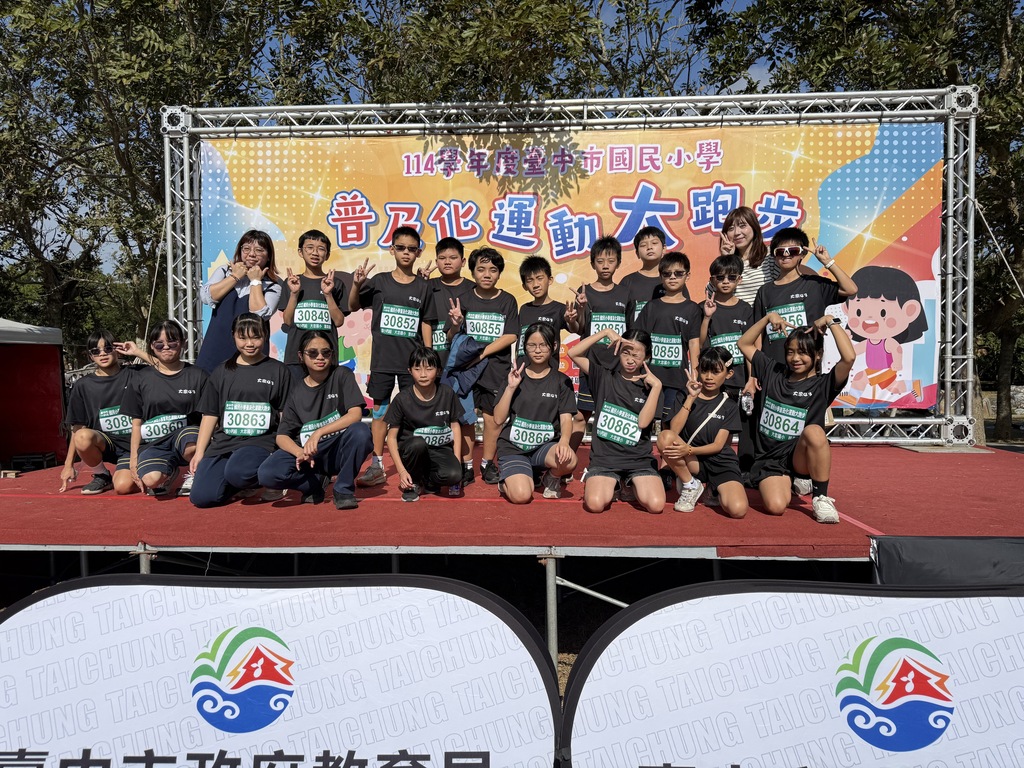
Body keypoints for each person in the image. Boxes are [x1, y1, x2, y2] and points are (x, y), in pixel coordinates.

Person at [738, 312, 857, 523]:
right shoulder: (772, 371)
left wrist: (830, 321)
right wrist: (767, 318)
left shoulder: (823, 385)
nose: (795, 359)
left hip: (798, 457)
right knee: (775, 507)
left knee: (814, 432)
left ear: (818, 355)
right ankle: (793, 483)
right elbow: (744, 343)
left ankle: (820, 497)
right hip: (770, 460)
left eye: (802, 353)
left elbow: (849, 358)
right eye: (790, 352)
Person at [350, 226, 432, 488]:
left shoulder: (424, 286)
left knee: (414, 415)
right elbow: (353, 305)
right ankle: (377, 465)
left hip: (413, 365)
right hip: (383, 362)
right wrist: (356, 284)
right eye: (401, 247)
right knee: (380, 413)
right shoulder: (379, 282)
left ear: (418, 253)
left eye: (411, 249)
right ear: (392, 249)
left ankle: (412, 466)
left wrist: (428, 358)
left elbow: (426, 322)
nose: (406, 253)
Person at [258, 330, 372, 509]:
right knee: (267, 474)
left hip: (336, 450)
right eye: (312, 353)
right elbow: (282, 436)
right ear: (301, 356)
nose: (320, 357)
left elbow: (355, 414)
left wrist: (318, 433)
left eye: (326, 352)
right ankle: (314, 483)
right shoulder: (296, 391)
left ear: (332, 355)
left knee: (361, 432)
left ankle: (343, 489)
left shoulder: (342, 375)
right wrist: (299, 452)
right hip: (308, 454)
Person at [189, 313, 291, 508]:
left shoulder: (278, 370)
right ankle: (240, 483)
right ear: (233, 336)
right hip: (224, 444)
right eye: (242, 338)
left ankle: (263, 478)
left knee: (239, 472)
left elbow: (285, 415)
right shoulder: (221, 372)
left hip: (261, 442)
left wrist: (283, 452)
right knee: (202, 497)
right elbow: (210, 414)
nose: (249, 344)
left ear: (265, 335)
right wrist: (200, 452)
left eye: (256, 337)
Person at [568, 327, 665, 514]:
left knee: (656, 505)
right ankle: (615, 484)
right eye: (625, 353)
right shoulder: (603, 376)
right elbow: (573, 353)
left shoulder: (653, 386)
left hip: (639, 460)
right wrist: (605, 333)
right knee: (595, 505)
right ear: (618, 351)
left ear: (646, 357)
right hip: (604, 459)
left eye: (636, 355)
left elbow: (643, 423)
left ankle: (629, 483)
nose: (630, 360)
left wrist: (656, 387)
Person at [446, 246, 519, 485]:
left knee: (493, 419)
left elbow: (511, 335)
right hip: (466, 372)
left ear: (499, 274)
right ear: (473, 272)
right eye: (481, 269)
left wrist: (483, 353)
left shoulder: (508, 300)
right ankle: (467, 465)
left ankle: (487, 463)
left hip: (495, 370)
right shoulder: (463, 299)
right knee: (467, 419)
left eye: (493, 270)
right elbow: (450, 337)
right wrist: (456, 324)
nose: (487, 274)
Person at [121, 320, 209, 497]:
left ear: (182, 343)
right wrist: (133, 459)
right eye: (159, 344)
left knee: (192, 443)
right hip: (154, 443)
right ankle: (169, 472)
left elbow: (210, 416)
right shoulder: (140, 378)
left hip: (187, 437)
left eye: (172, 342)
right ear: (152, 346)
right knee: (150, 480)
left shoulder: (199, 375)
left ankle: (194, 474)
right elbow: (136, 423)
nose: (166, 347)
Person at [493, 323, 578, 503]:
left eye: (543, 345)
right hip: (514, 448)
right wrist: (510, 388)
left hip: (544, 448)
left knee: (570, 460)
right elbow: (498, 419)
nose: (537, 350)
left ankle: (551, 477)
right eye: (532, 345)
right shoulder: (514, 376)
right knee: (522, 496)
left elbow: (566, 419)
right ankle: (507, 481)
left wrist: (564, 441)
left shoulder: (562, 381)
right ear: (525, 347)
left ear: (554, 346)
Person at [657, 348, 747, 517]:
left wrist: (689, 450)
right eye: (704, 371)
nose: (709, 377)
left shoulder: (729, 405)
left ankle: (714, 489)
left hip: (720, 462)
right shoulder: (684, 394)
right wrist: (691, 397)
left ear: (728, 374)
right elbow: (673, 431)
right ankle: (690, 484)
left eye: (716, 372)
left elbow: (719, 445)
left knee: (738, 510)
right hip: (694, 461)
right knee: (664, 437)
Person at [59, 332, 150, 495]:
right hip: (107, 444)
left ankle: (150, 468)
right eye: (96, 351)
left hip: (137, 446)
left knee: (122, 487)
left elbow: (166, 368)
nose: (102, 354)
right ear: (90, 356)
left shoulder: (135, 374)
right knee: (82, 436)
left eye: (108, 348)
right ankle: (102, 475)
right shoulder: (82, 386)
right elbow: (77, 427)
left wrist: (137, 352)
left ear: (117, 350)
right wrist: (68, 465)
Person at [754, 227, 858, 366]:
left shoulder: (815, 284)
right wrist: (756, 370)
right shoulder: (764, 291)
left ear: (802, 254)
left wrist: (827, 262)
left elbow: (850, 289)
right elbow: (759, 334)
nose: (786, 255)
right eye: (780, 251)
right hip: (772, 368)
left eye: (792, 251)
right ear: (774, 255)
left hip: (808, 367)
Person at [564, 236, 630, 452]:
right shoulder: (585, 293)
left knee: (615, 416)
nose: (605, 266)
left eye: (610, 261)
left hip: (618, 367)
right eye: (600, 261)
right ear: (592, 263)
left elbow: (630, 331)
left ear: (618, 262)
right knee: (580, 417)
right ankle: (564, 464)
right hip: (590, 365)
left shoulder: (625, 293)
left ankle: (612, 462)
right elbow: (579, 329)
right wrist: (580, 311)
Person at [424, 237, 477, 481]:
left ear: (463, 261)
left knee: (464, 418)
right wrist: (428, 357)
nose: (447, 262)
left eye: (453, 257)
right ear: (436, 261)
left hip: (461, 367)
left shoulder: (473, 289)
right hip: (432, 363)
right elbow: (424, 321)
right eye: (442, 258)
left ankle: (468, 465)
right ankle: (432, 463)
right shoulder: (427, 286)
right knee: (432, 417)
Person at [383, 347, 464, 502]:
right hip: (413, 451)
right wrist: (401, 471)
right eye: (417, 369)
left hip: (440, 449)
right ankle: (413, 481)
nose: (423, 374)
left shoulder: (447, 393)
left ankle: (429, 481)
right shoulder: (402, 399)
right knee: (417, 444)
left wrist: (456, 460)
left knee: (454, 475)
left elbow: (455, 426)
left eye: (429, 369)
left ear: (438, 370)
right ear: (409, 371)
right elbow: (391, 438)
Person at [630, 250, 703, 422]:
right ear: (661, 276)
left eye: (678, 273)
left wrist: (695, 374)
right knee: (644, 422)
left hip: (678, 379)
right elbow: (639, 341)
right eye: (667, 273)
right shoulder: (651, 307)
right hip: (650, 376)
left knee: (669, 425)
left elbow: (694, 344)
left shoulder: (692, 309)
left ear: (687, 276)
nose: (672, 277)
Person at [700, 253, 757, 473]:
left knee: (745, 427)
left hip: (741, 381)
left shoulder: (746, 310)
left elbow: (751, 348)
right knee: (716, 426)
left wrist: (751, 379)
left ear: (739, 280)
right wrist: (707, 317)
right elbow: (699, 342)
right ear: (712, 280)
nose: (725, 281)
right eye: (720, 277)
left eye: (731, 277)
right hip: (715, 382)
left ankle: (744, 471)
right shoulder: (704, 307)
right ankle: (715, 468)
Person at [196, 230, 282, 373]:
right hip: (216, 346)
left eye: (259, 250)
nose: (252, 254)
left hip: (250, 354)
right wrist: (235, 276)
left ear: (268, 256)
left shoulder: (274, 285)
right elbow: (206, 297)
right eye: (246, 249)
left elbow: (260, 315)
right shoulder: (224, 271)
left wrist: (255, 281)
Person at [843, 265, 928, 403]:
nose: (869, 319)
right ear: (847, 309)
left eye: (883, 313)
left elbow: (897, 349)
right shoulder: (868, 342)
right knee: (894, 388)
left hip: (884, 370)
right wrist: (845, 340)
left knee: (860, 377)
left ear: (909, 311)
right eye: (859, 312)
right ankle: (913, 385)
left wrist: (897, 363)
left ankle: (851, 398)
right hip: (878, 370)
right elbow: (854, 352)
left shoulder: (887, 341)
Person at [279, 229, 351, 381]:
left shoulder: (335, 283)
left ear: (327, 255)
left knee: (326, 395)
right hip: (296, 357)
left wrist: (328, 294)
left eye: (321, 249)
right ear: (300, 252)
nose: (315, 253)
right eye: (310, 247)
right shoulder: (292, 282)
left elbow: (339, 321)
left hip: (325, 357)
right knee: (296, 394)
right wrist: (294, 293)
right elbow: (287, 320)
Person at [621, 225, 688, 322]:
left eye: (654, 243)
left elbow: (685, 311)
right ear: (637, 253)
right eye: (643, 245)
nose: (649, 247)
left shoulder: (674, 280)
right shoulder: (628, 282)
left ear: (664, 248)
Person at [517, 255, 569, 370]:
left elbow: (575, 328)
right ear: (524, 286)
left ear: (550, 280)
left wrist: (573, 320)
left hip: (548, 372)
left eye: (539, 278)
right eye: (530, 280)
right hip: (522, 372)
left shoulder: (560, 309)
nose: (535, 285)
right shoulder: (524, 309)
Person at [719, 207, 773, 307]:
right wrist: (727, 261)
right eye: (731, 228)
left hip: (766, 316)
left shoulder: (770, 256)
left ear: (754, 227)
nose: (737, 233)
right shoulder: (725, 260)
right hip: (736, 316)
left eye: (742, 226)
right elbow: (711, 293)